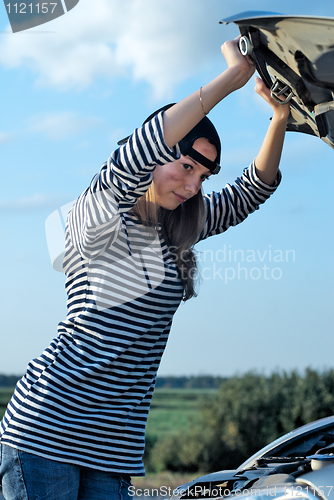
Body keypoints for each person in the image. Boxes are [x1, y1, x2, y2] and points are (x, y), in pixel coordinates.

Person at [0, 38, 290, 500]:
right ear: (156, 155)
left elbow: (250, 193)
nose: (195, 185)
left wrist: (279, 120)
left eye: (204, 176)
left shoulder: (179, 230)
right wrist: (234, 77)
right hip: (47, 430)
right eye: (187, 166)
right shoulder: (100, 213)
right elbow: (138, 151)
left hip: (111, 446)